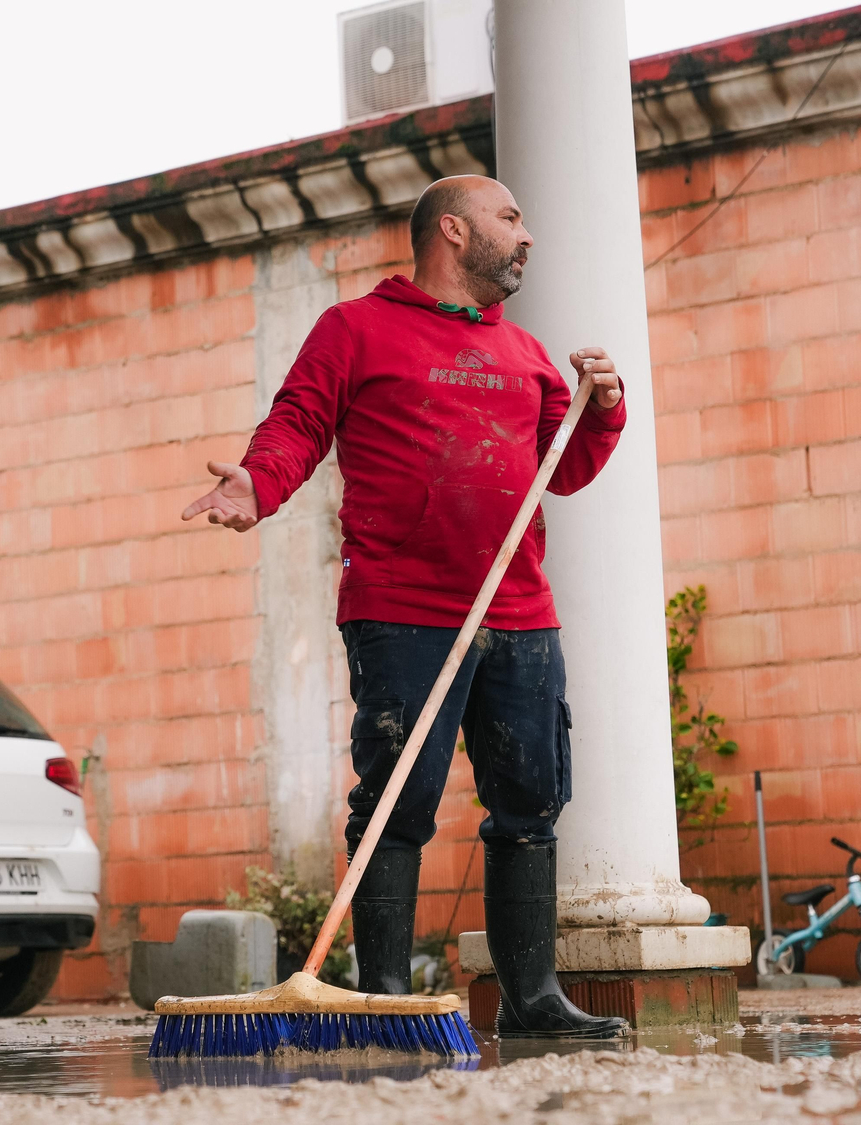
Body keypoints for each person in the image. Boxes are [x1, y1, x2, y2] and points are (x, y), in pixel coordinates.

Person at [180, 175, 628, 1038]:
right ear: (453, 231)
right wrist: (255, 483)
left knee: (531, 800)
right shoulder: (355, 329)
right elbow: (298, 424)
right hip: (404, 608)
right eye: (511, 217)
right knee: (399, 795)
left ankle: (532, 999)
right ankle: (383, 997)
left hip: (520, 609)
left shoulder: (529, 354)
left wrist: (600, 412)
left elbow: (562, 471)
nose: (528, 234)